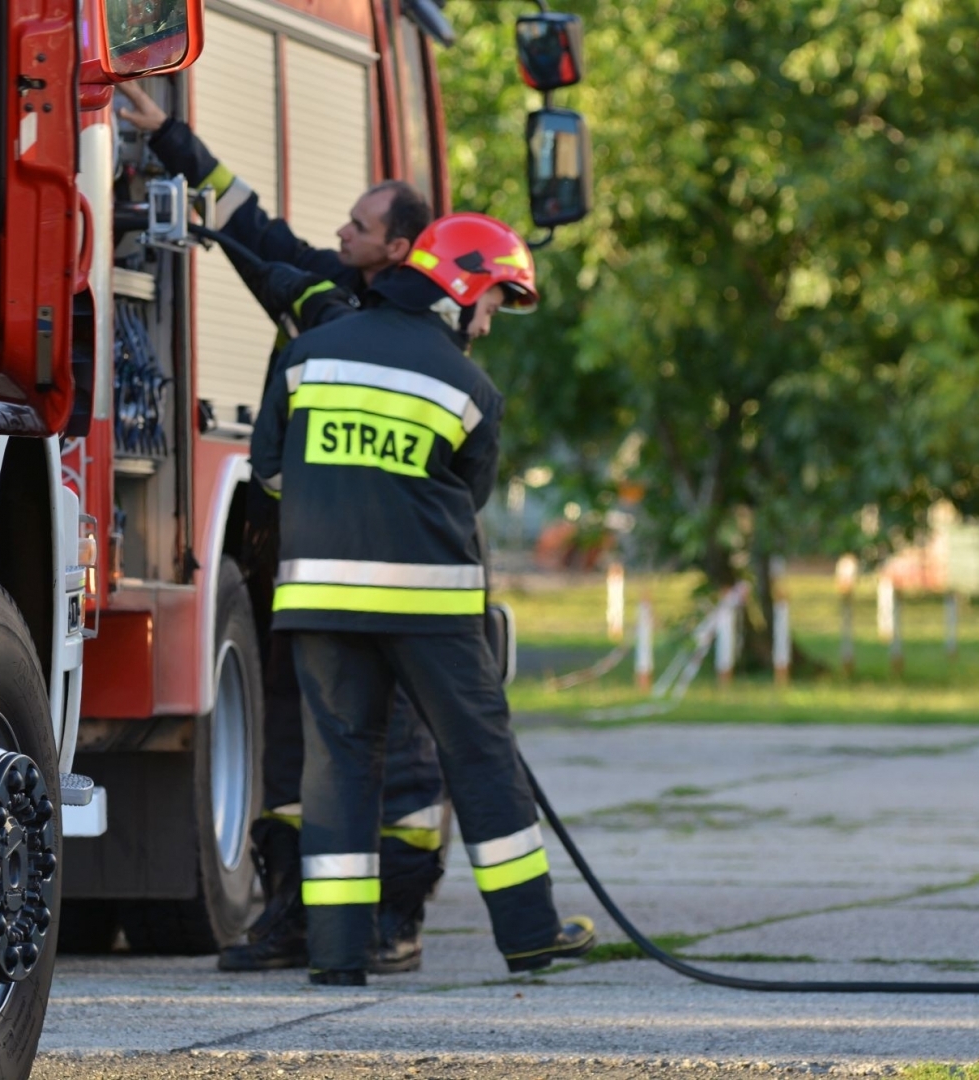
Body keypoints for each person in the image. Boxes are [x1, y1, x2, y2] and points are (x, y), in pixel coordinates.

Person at [116, 82, 447, 974]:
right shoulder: (335, 287)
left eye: (357, 225)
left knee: (402, 759)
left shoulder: (414, 330)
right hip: (304, 572)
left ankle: (393, 922)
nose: (341, 231)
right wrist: (174, 139)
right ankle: (297, 915)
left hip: (395, 578)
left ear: (398, 247)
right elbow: (252, 228)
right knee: (292, 744)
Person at [250, 212, 597, 985]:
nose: (492, 320)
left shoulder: (308, 354)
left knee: (337, 767)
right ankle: (532, 934)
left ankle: (338, 958)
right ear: (464, 291)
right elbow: (466, 497)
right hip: (430, 607)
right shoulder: (469, 386)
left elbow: (270, 472)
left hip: (319, 600)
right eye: (496, 303)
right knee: (479, 756)